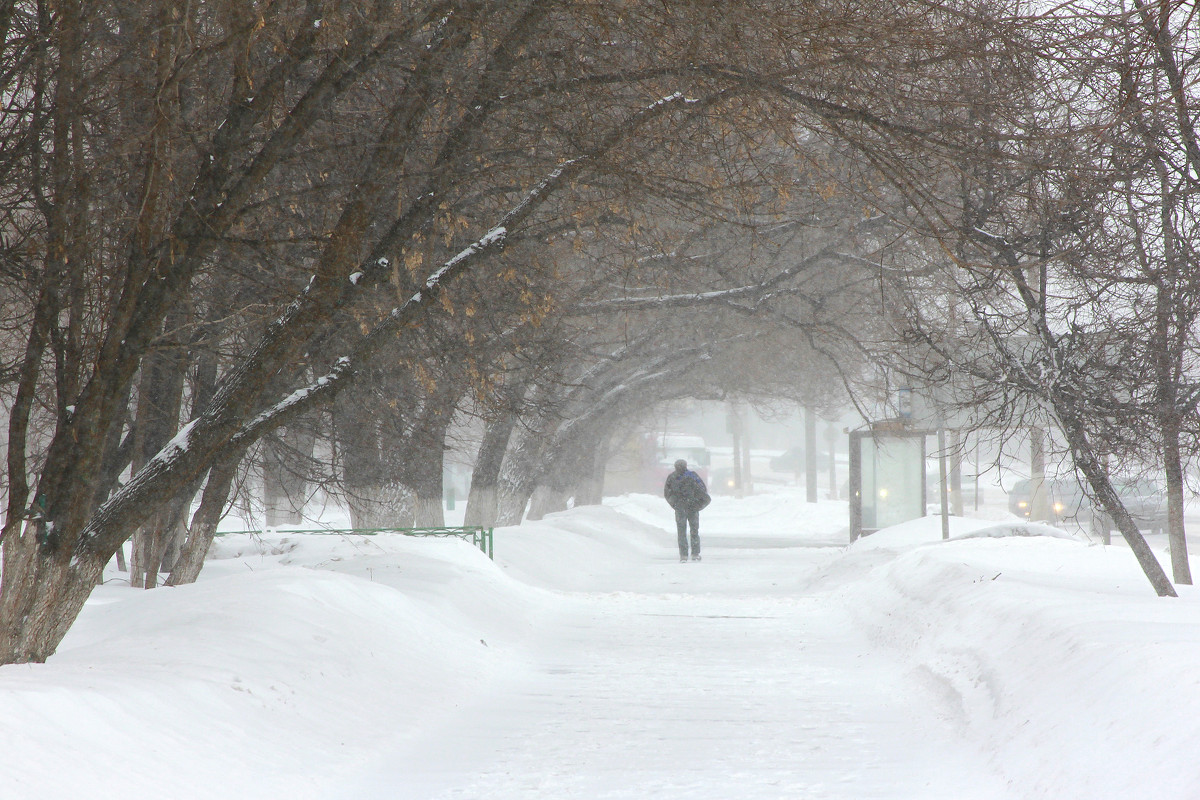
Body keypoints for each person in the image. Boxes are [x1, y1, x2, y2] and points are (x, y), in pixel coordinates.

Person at [663, 458, 710, 562]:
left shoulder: (672, 477)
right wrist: (699, 504)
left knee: (681, 532)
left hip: (680, 508)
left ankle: (683, 555)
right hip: (693, 507)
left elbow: (667, 493)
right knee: (694, 530)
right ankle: (695, 553)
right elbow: (702, 490)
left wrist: (675, 504)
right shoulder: (693, 476)